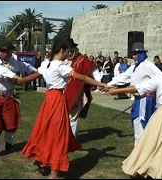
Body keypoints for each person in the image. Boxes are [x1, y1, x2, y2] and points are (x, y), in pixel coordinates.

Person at [19, 38, 113, 179]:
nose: (69, 54)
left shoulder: (47, 64)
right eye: (68, 52)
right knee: (58, 136)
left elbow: (35, 75)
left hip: (48, 101)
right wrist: (102, 84)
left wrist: (21, 80)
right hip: (57, 101)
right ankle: (54, 173)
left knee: (45, 131)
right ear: (62, 50)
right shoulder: (60, 66)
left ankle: (41, 160)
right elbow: (82, 78)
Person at [0, 40, 37, 159]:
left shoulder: (13, 61)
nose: (5, 53)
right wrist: (14, 76)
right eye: (3, 51)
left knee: (11, 121)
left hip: (9, 96)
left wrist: (37, 72)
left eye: (7, 51)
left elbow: (25, 66)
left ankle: (9, 142)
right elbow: (1, 71)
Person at [107, 42, 162, 145]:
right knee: (138, 124)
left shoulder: (148, 65)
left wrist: (152, 90)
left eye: (135, 54)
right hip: (138, 100)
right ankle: (141, 152)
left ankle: (140, 153)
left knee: (141, 126)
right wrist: (107, 85)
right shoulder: (135, 67)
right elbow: (123, 77)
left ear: (141, 53)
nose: (133, 56)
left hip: (145, 99)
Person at [64, 38, 101, 137]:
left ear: (76, 49)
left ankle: (71, 138)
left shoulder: (83, 60)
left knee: (73, 116)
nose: (70, 53)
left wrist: (99, 83)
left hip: (76, 93)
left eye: (72, 51)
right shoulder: (63, 60)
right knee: (63, 116)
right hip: (62, 93)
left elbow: (95, 72)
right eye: (69, 51)